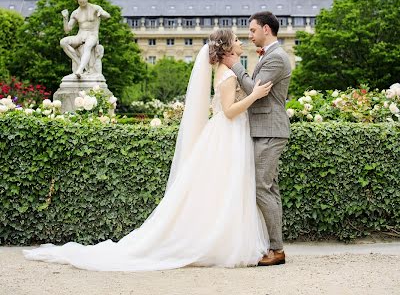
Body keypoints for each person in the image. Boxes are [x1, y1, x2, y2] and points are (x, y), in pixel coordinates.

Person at [24, 29, 273, 271]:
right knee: (227, 187)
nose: (242, 41)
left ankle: (223, 239)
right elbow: (229, 111)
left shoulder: (225, 71)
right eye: (237, 39)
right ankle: (225, 243)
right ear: (227, 48)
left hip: (226, 133)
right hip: (227, 134)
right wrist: (255, 95)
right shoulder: (227, 75)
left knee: (224, 188)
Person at [222, 12, 292, 266]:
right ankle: (274, 247)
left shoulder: (277, 58)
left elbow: (256, 91)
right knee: (268, 187)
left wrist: (235, 65)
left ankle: (277, 250)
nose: (249, 35)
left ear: (266, 29)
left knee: (261, 187)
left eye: (252, 31)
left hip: (270, 130)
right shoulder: (270, 55)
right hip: (263, 129)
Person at [60, 0, 110, 79]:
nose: (82, 1)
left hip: (92, 34)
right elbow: (67, 30)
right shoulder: (75, 13)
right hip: (80, 35)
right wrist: (65, 18)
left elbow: (107, 15)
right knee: (63, 42)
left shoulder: (95, 8)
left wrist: (101, 13)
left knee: (87, 46)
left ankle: (80, 70)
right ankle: (79, 63)